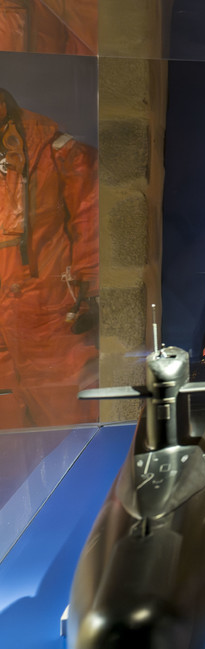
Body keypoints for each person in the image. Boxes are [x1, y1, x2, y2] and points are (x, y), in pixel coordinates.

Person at [0, 88, 98, 428]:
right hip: (34, 301)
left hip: (45, 302)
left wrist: (94, 286)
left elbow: (89, 210)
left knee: (65, 418)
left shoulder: (51, 146)